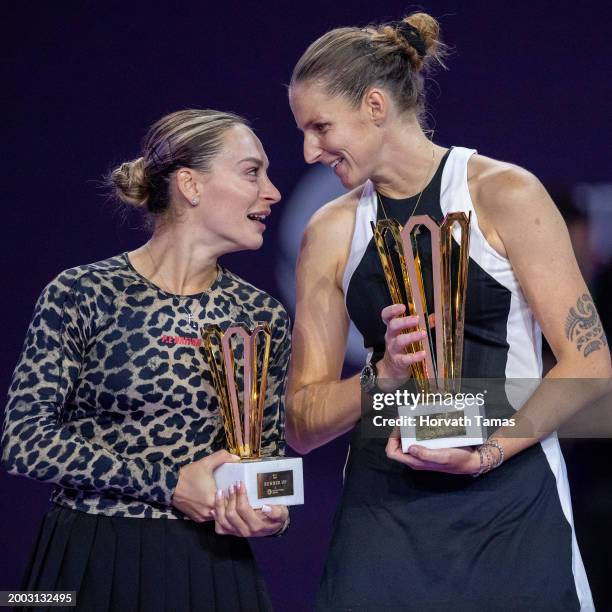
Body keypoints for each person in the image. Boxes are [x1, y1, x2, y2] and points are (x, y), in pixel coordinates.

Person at [286, 12, 610, 612]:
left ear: (375, 106)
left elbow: (590, 364)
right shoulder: (329, 233)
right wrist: (377, 381)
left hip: (512, 501)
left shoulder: (506, 194)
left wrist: (487, 450)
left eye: (320, 127)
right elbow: (302, 424)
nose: (309, 151)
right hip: (383, 520)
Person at [1, 109, 290, 611]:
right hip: (85, 556)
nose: (272, 191)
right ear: (190, 184)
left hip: (211, 567)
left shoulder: (261, 316)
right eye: (251, 172)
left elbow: (260, 456)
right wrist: (168, 484)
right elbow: (24, 441)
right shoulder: (83, 293)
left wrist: (271, 509)